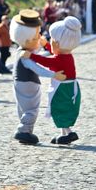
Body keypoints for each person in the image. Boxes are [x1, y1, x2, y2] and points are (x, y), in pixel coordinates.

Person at [9, 9, 66, 145]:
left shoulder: (20, 51)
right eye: (36, 37)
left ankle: (26, 130)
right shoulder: (25, 56)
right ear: (27, 39)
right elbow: (37, 69)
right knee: (31, 109)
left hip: (19, 83)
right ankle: (23, 130)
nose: (39, 37)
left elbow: (36, 52)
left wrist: (43, 43)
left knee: (23, 108)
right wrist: (54, 74)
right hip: (29, 84)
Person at [22, 16, 82, 144]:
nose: (51, 42)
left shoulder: (60, 59)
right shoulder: (66, 56)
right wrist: (46, 45)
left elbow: (47, 61)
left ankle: (69, 132)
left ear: (59, 43)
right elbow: (55, 52)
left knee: (59, 108)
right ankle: (63, 134)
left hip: (62, 89)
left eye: (52, 40)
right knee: (61, 108)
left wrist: (31, 56)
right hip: (68, 87)